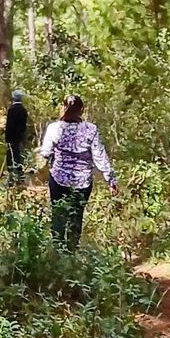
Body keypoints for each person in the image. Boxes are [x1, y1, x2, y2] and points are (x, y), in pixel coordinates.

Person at [37, 93, 114, 249]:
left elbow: (45, 152)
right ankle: (72, 252)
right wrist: (111, 179)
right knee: (76, 216)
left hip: (59, 179)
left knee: (58, 214)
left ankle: (58, 252)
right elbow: (99, 156)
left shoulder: (54, 128)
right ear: (82, 110)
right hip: (83, 182)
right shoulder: (91, 130)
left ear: (63, 108)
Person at [3, 90, 31, 185]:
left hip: (12, 138)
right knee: (19, 156)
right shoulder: (23, 110)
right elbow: (23, 126)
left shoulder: (11, 109)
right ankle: (20, 177)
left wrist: (7, 138)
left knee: (11, 157)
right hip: (20, 138)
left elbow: (9, 126)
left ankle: (11, 178)